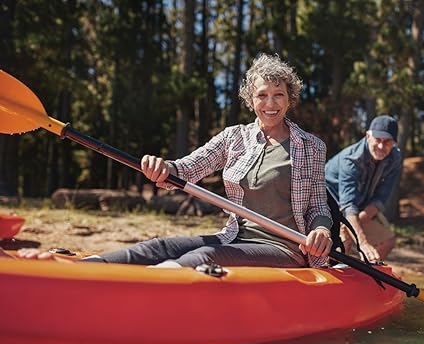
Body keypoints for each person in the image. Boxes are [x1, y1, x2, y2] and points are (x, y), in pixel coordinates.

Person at [19, 53, 333, 268]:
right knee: (158, 247)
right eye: (262, 95)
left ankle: (149, 292)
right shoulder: (234, 137)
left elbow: (319, 208)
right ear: (250, 101)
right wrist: (164, 168)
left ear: (290, 99)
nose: (270, 103)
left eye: (278, 95)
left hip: (285, 248)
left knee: (205, 255)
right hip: (235, 236)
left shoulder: (310, 147)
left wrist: (322, 232)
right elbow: (187, 168)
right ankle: (84, 269)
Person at [325, 115, 401, 262]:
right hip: (326, 206)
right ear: (368, 136)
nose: (381, 146)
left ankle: (366, 277)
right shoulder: (350, 160)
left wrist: (350, 226)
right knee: (343, 243)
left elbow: (379, 200)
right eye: (378, 139)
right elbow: (348, 206)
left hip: (355, 212)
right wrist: (363, 243)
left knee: (387, 241)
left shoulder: (395, 158)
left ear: (394, 143)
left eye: (387, 142)